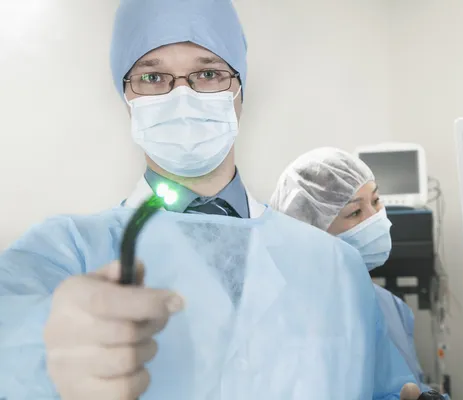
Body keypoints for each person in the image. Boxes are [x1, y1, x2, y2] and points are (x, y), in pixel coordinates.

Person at [0, 1, 415, 399]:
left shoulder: (334, 264)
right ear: (127, 99)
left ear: (240, 90)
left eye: (209, 73)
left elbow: (383, 386)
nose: (183, 96)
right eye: (152, 77)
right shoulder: (68, 252)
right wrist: (44, 352)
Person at [270, 147, 450, 400]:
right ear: (311, 232)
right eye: (355, 212)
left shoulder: (389, 307)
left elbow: (404, 387)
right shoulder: (280, 318)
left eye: (376, 201)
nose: (375, 219)